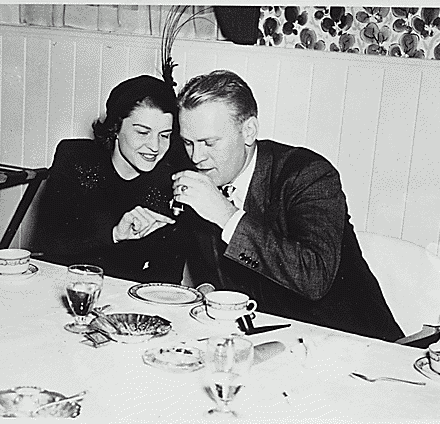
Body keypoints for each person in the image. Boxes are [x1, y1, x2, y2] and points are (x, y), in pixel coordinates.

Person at [172, 70, 404, 342]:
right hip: (267, 342)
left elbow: (314, 277)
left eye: (209, 143)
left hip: (349, 345)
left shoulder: (308, 174)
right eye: (188, 142)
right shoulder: (208, 177)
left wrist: (226, 215)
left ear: (248, 131)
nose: (197, 157)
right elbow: (214, 271)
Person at [36, 75, 190, 283]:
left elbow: (167, 276)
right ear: (116, 127)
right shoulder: (75, 158)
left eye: (164, 135)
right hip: (67, 287)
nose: (155, 146)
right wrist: (114, 234)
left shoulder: (171, 179)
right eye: (143, 132)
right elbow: (50, 244)